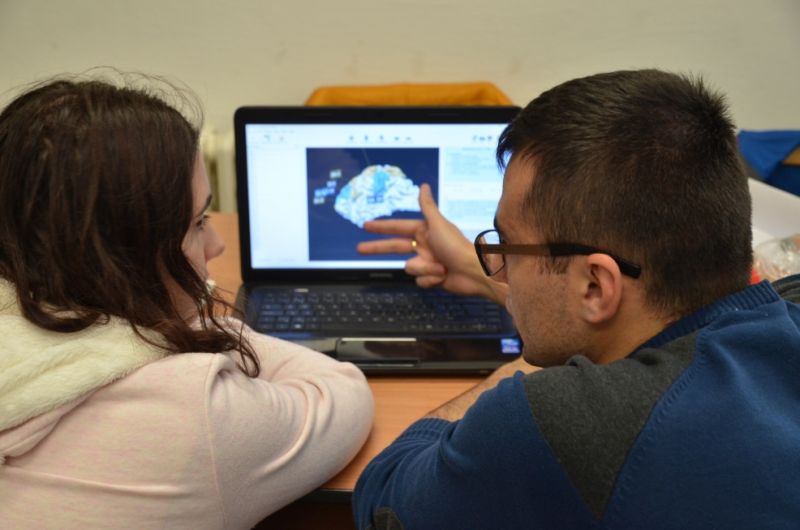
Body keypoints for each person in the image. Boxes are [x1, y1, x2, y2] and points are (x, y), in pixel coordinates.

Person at [352, 69, 800, 529]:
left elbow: (382, 502)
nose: (499, 267)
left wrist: (527, 362)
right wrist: (475, 270)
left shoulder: (564, 424)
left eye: (509, 246)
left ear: (596, 286)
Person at [0, 74, 374, 529]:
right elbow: (344, 393)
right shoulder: (192, 410)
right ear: (122, 253)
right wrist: (199, 324)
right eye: (198, 223)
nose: (216, 244)